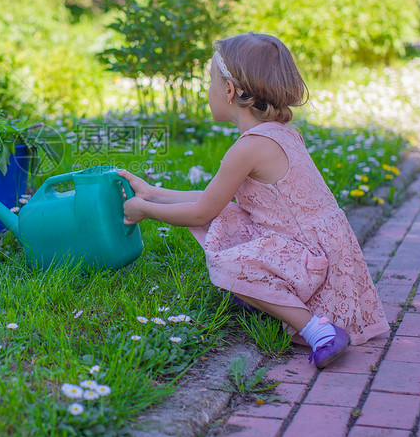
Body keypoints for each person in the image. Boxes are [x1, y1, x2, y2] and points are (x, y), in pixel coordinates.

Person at [119, 32, 389, 368]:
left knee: (227, 262)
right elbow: (214, 202)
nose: (208, 92)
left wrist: (143, 210)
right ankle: (267, 298)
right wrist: (153, 193)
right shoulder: (279, 133)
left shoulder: (248, 148)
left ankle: (319, 330)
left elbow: (201, 213)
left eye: (210, 83)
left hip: (311, 259)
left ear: (229, 91)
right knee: (231, 215)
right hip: (317, 249)